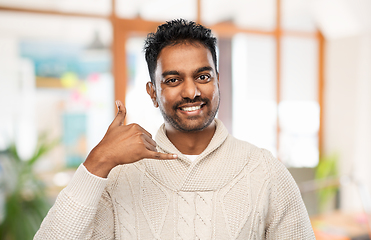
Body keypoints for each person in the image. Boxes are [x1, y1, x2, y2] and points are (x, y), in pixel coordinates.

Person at [35, 19, 315, 239]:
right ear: (152, 92)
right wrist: (98, 162)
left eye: (203, 76)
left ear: (218, 81)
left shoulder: (264, 171)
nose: (191, 91)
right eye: (172, 80)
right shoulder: (121, 176)